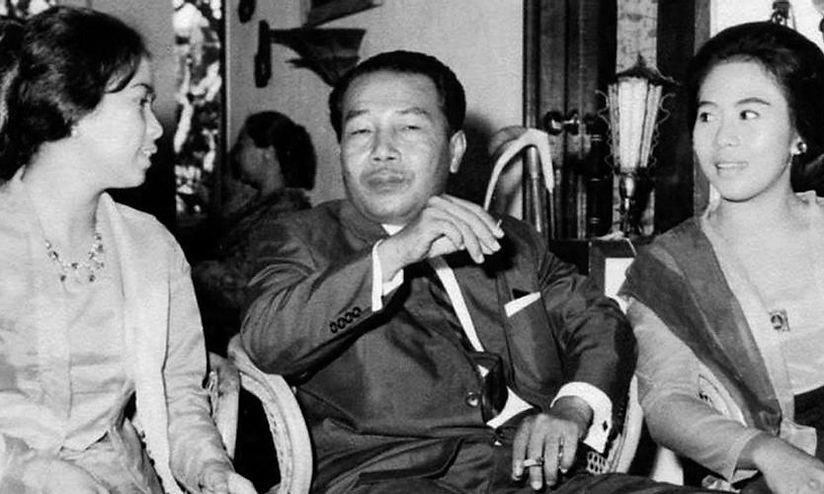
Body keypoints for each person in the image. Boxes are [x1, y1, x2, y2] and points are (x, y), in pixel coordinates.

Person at [240, 50, 707, 494]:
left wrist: (573, 405)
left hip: (539, 479)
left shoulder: (510, 239)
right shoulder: (298, 237)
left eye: (409, 127)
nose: (382, 150)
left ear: (455, 150)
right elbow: (266, 340)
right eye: (360, 131)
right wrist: (395, 253)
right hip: (384, 480)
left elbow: (600, 320)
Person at [0, 7, 255, 493]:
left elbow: (179, 395)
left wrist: (212, 470)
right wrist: (33, 472)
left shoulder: (151, 246)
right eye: (140, 102)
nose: (157, 127)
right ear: (74, 109)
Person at [621, 22, 824, 493]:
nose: (722, 138)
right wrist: (764, 451)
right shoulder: (671, 267)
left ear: (799, 133)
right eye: (708, 116)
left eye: (748, 114)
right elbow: (667, 403)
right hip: (759, 473)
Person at [192, 110, 315, 354]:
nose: (236, 153)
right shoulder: (258, 203)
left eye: (243, 144)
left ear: (267, 152)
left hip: (244, 340)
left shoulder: (285, 214)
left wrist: (191, 270)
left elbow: (243, 287)